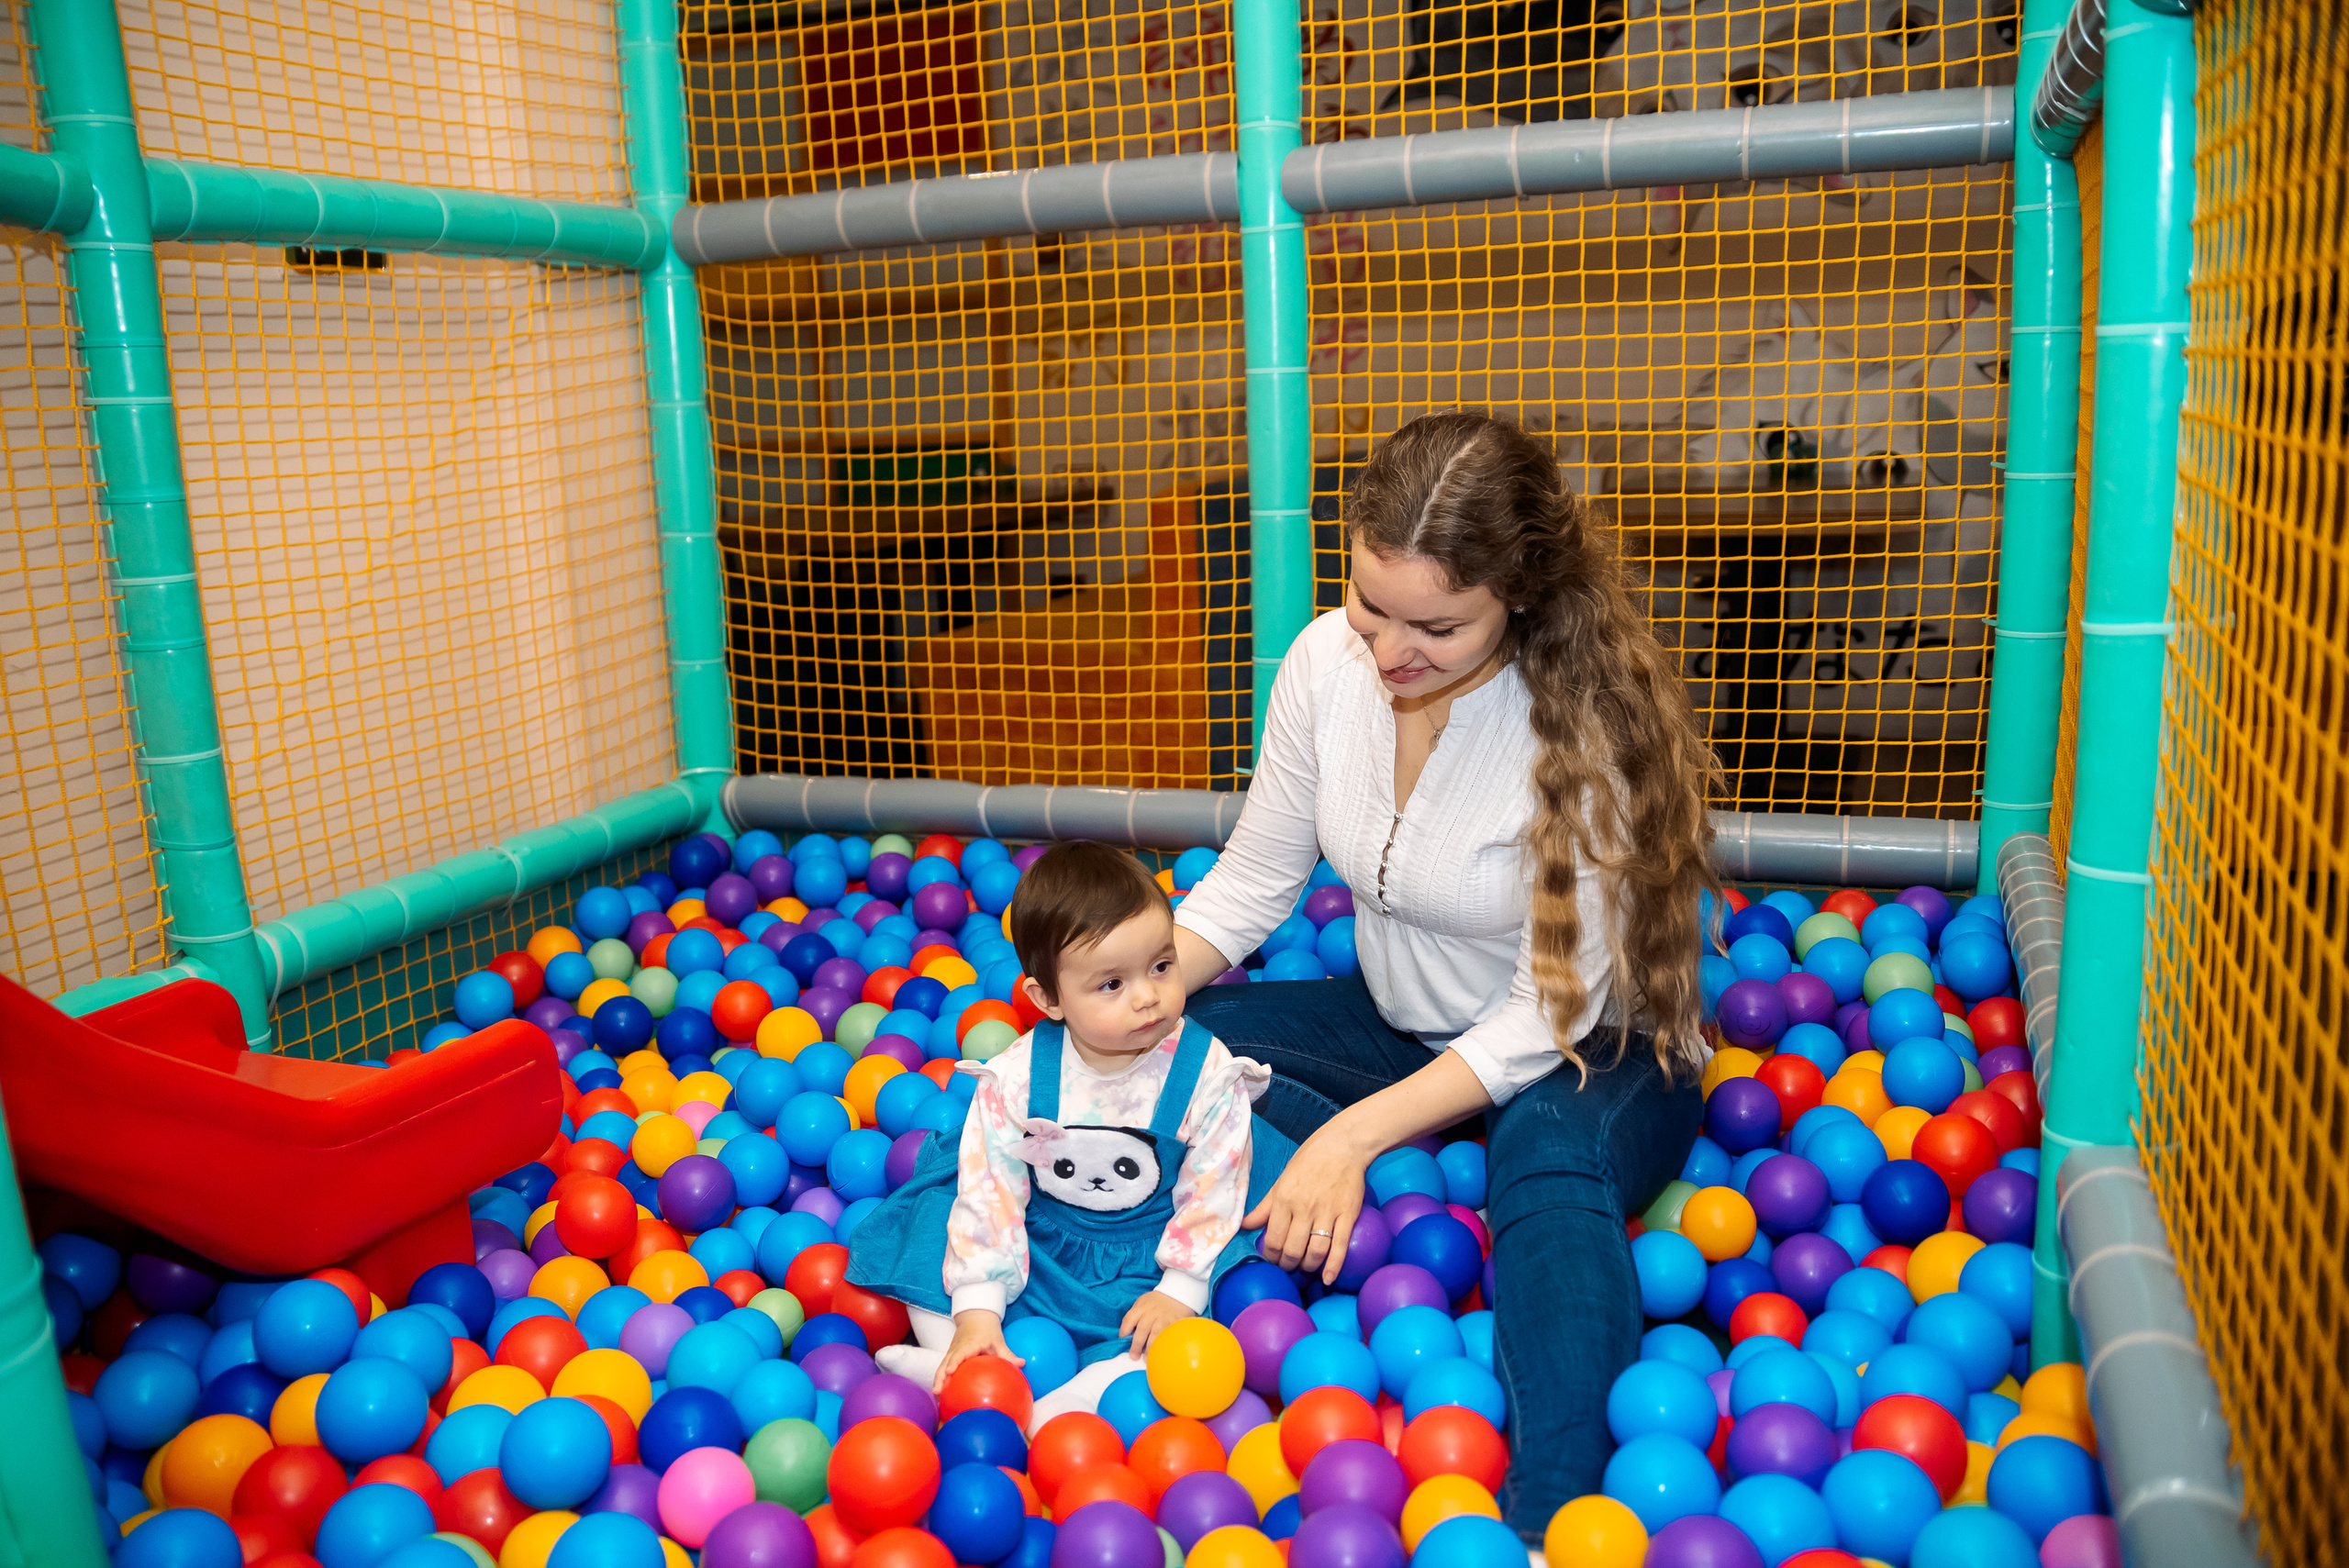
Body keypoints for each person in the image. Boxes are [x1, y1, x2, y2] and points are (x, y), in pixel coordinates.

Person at [1174, 410, 1720, 1536]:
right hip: (1401, 1024)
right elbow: (1254, 878)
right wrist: (1129, 994)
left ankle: (1550, 1517)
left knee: (1545, 1155)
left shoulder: (1579, 722)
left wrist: (1351, 1135)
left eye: (1436, 624)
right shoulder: (1326, 664)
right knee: (1185, 1046)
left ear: (1515, 596)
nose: (1386, 650)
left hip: (1592, 1052)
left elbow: (1542, 1013)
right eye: (1370, 602)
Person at [847, 841, 1297, 1425]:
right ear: (1048, 999)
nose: (1147, 996)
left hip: (1149, 1246)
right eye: (1111, 984)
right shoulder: (1014, 1077)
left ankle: (1079, 1397)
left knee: (1196, 1313)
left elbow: (1214, 1188)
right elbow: (991, 1191)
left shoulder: (1207, 1073)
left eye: (1162, 966)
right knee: (934, 1219)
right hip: (1039, 1235)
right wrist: (978, 1309)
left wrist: (1178, 1289)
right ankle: (956, 1359)